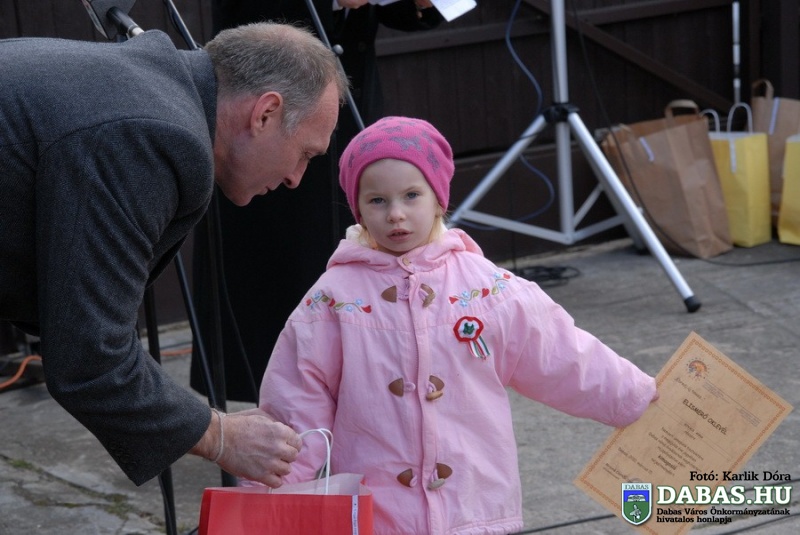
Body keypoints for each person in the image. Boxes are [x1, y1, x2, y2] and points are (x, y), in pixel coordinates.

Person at [255, 116, 659, 533]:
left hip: (475, 507)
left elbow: (562, 353)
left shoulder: (487, 288)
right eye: (377, 201)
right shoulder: (333, 299)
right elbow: (296, 405)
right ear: (358, 209)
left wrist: (636, 397)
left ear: (438, 199)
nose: (396, 214)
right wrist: (264, 499)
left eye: (412, 195)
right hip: (380, 517)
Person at [0, 22, 349, 488]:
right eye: (305, 154)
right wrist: (219, 435)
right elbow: (90, 356)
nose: (295, 179)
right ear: (265, 113)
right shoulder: (153, 135)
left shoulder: (146, 94)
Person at [190, 0, 444, 402]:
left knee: (363, 246)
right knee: (276, 261)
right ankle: (277, 405)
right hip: (273, 97)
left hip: (349, 90)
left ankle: (363, 386)